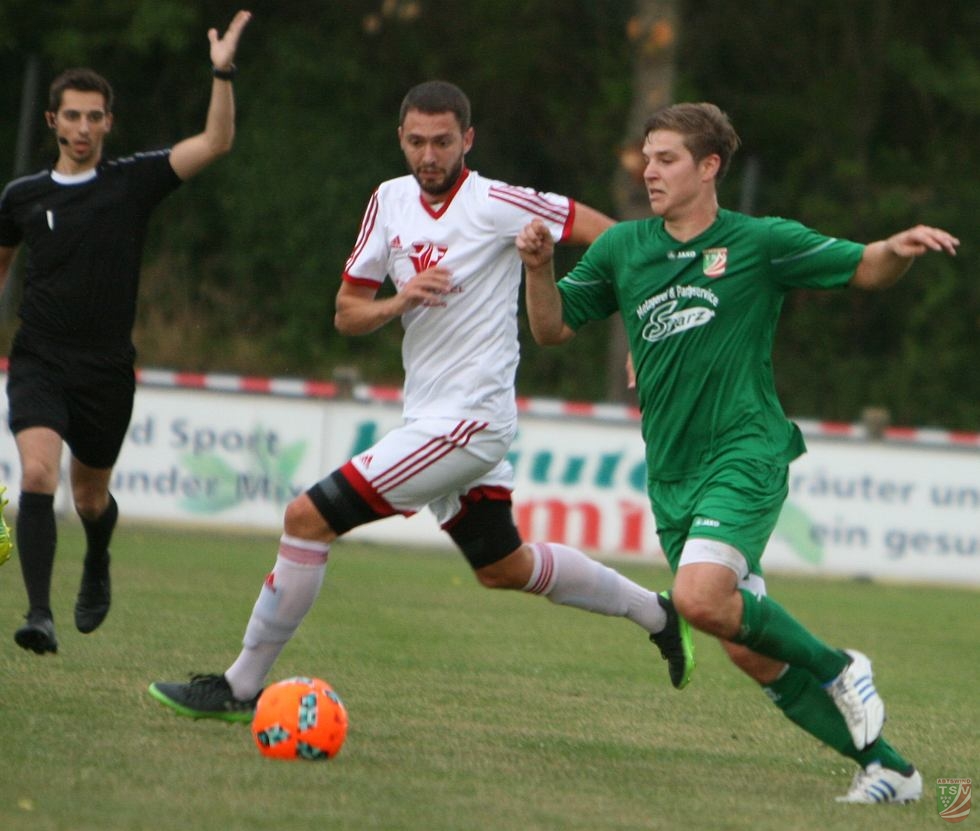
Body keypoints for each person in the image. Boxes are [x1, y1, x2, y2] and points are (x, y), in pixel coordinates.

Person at [148, 80, 695, 721]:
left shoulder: (497, 201)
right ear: (401, 139)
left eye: (442, 141)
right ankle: (658, 614)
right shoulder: (388, 202)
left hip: (470, 423)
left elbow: (610, 236)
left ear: (467, 139)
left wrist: (644, 311)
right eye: (416, 142)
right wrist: (399, 300)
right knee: (502, 565)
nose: (429, 155)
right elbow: (348, 314)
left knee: (305, 518)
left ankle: (240, 687)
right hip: (431, 416)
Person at [516, 102, 960, 805]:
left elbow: (866, 269)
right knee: (745, 643)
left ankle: (839, 664)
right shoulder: (623, 249)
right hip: (673, 473)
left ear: (710, 165)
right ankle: (891, 769)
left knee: (696, 598)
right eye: (646, 157)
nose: (650, 171)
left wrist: (895, 250)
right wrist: (539, 268)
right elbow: (551, 330)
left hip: (745, 450)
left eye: (666, 159)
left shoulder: (759, 243)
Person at [0, 10, 253, 654]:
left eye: (95, 115)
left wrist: (221, 71)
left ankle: (97, 558)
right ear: (53, 122)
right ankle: (38, 614)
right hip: (39, 359)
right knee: (36, 476)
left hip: (106, 368)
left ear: (108, 122)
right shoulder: (21, 198)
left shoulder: (133, 183)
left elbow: (216, 143)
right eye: (72, 116)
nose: (83, 127)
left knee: (89, 498)